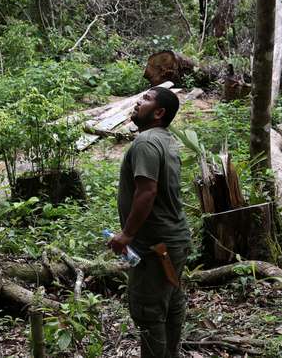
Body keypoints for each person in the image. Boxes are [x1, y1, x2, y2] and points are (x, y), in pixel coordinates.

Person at [107, 86, 190, 358]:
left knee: (149, 311)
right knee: (170, 306)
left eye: (145, 99)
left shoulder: (145, 142)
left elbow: (147, 191)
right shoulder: (166, 140)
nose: (137, 102)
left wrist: (126, 235)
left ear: (159, 112)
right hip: (172, 242)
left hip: (155, 248)